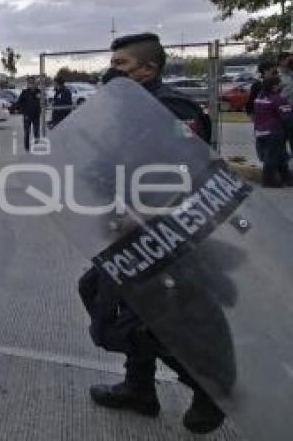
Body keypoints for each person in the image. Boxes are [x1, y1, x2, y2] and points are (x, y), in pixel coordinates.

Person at [84, 33, 225, 434]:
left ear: (150, 69)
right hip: (127, 229)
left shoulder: (172, 108)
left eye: (122, 64)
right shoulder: (126, 112)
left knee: (149, 315)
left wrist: (146, 210)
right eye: (113, 62)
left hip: (168, 234)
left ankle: (205, 387)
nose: (113, 70)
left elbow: (188, 169)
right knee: (114, 300)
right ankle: (139, 386)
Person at [252, 75, 292, 187]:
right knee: (273, 157)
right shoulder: (279, 99)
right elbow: (287, 117)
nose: (281, 86)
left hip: (260, 132)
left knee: (280, 156)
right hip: (274, 132)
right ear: (274, 87)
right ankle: (268, 180)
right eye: (279, 84)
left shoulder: (259, 98)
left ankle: (287, 178)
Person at [16, 76, 42, 151]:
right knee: (27, 132)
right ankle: (27, 147)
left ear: (34, 83)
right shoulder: (24, 92)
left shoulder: (38, 91)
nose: (31, 84)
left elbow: (43, 101)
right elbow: (19, 103)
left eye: (32, 82)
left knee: (36, 131)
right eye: (29, 82)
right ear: (27, 83)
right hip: (27, 115)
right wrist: (23, 111)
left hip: (36, 115)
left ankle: (37, 145)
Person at [277, 52, 293, 155]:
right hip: (281, 114)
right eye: (289, 60)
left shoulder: (291, 74)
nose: (291, 62)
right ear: (281, 61)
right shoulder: (277, 77)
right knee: (280, 143)